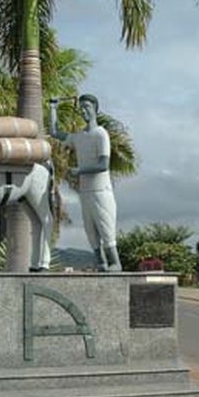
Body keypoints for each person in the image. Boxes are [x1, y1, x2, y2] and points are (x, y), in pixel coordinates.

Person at [49, 94, 121, 271]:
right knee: (90, 230)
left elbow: (103, 164)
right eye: (81, 108)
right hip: (86, 191)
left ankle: (115, 262)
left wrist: (80, 170)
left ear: (95, 108)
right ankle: (101, 263)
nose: (83, 111)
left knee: (105, 227)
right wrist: (53, 108)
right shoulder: (79, 137)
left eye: (87, 107)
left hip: (101, 190)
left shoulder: (101, 134)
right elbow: (55, 132)